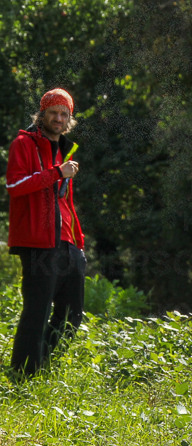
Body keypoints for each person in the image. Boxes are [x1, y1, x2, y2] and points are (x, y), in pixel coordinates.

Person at [4, 88, 86, 379]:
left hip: (68, 243)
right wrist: (55, 173)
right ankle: (22, 376)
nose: (59, 118)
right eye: (53, 112)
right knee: (36, 313)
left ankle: (40, 368)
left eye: (64, 114)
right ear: (42, 114)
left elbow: (65, 202)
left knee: (72, 315)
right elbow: (14, 187)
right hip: (38, 243)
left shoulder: (65, 151)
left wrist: (79, 243)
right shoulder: (23, 144)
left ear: (70, 119)